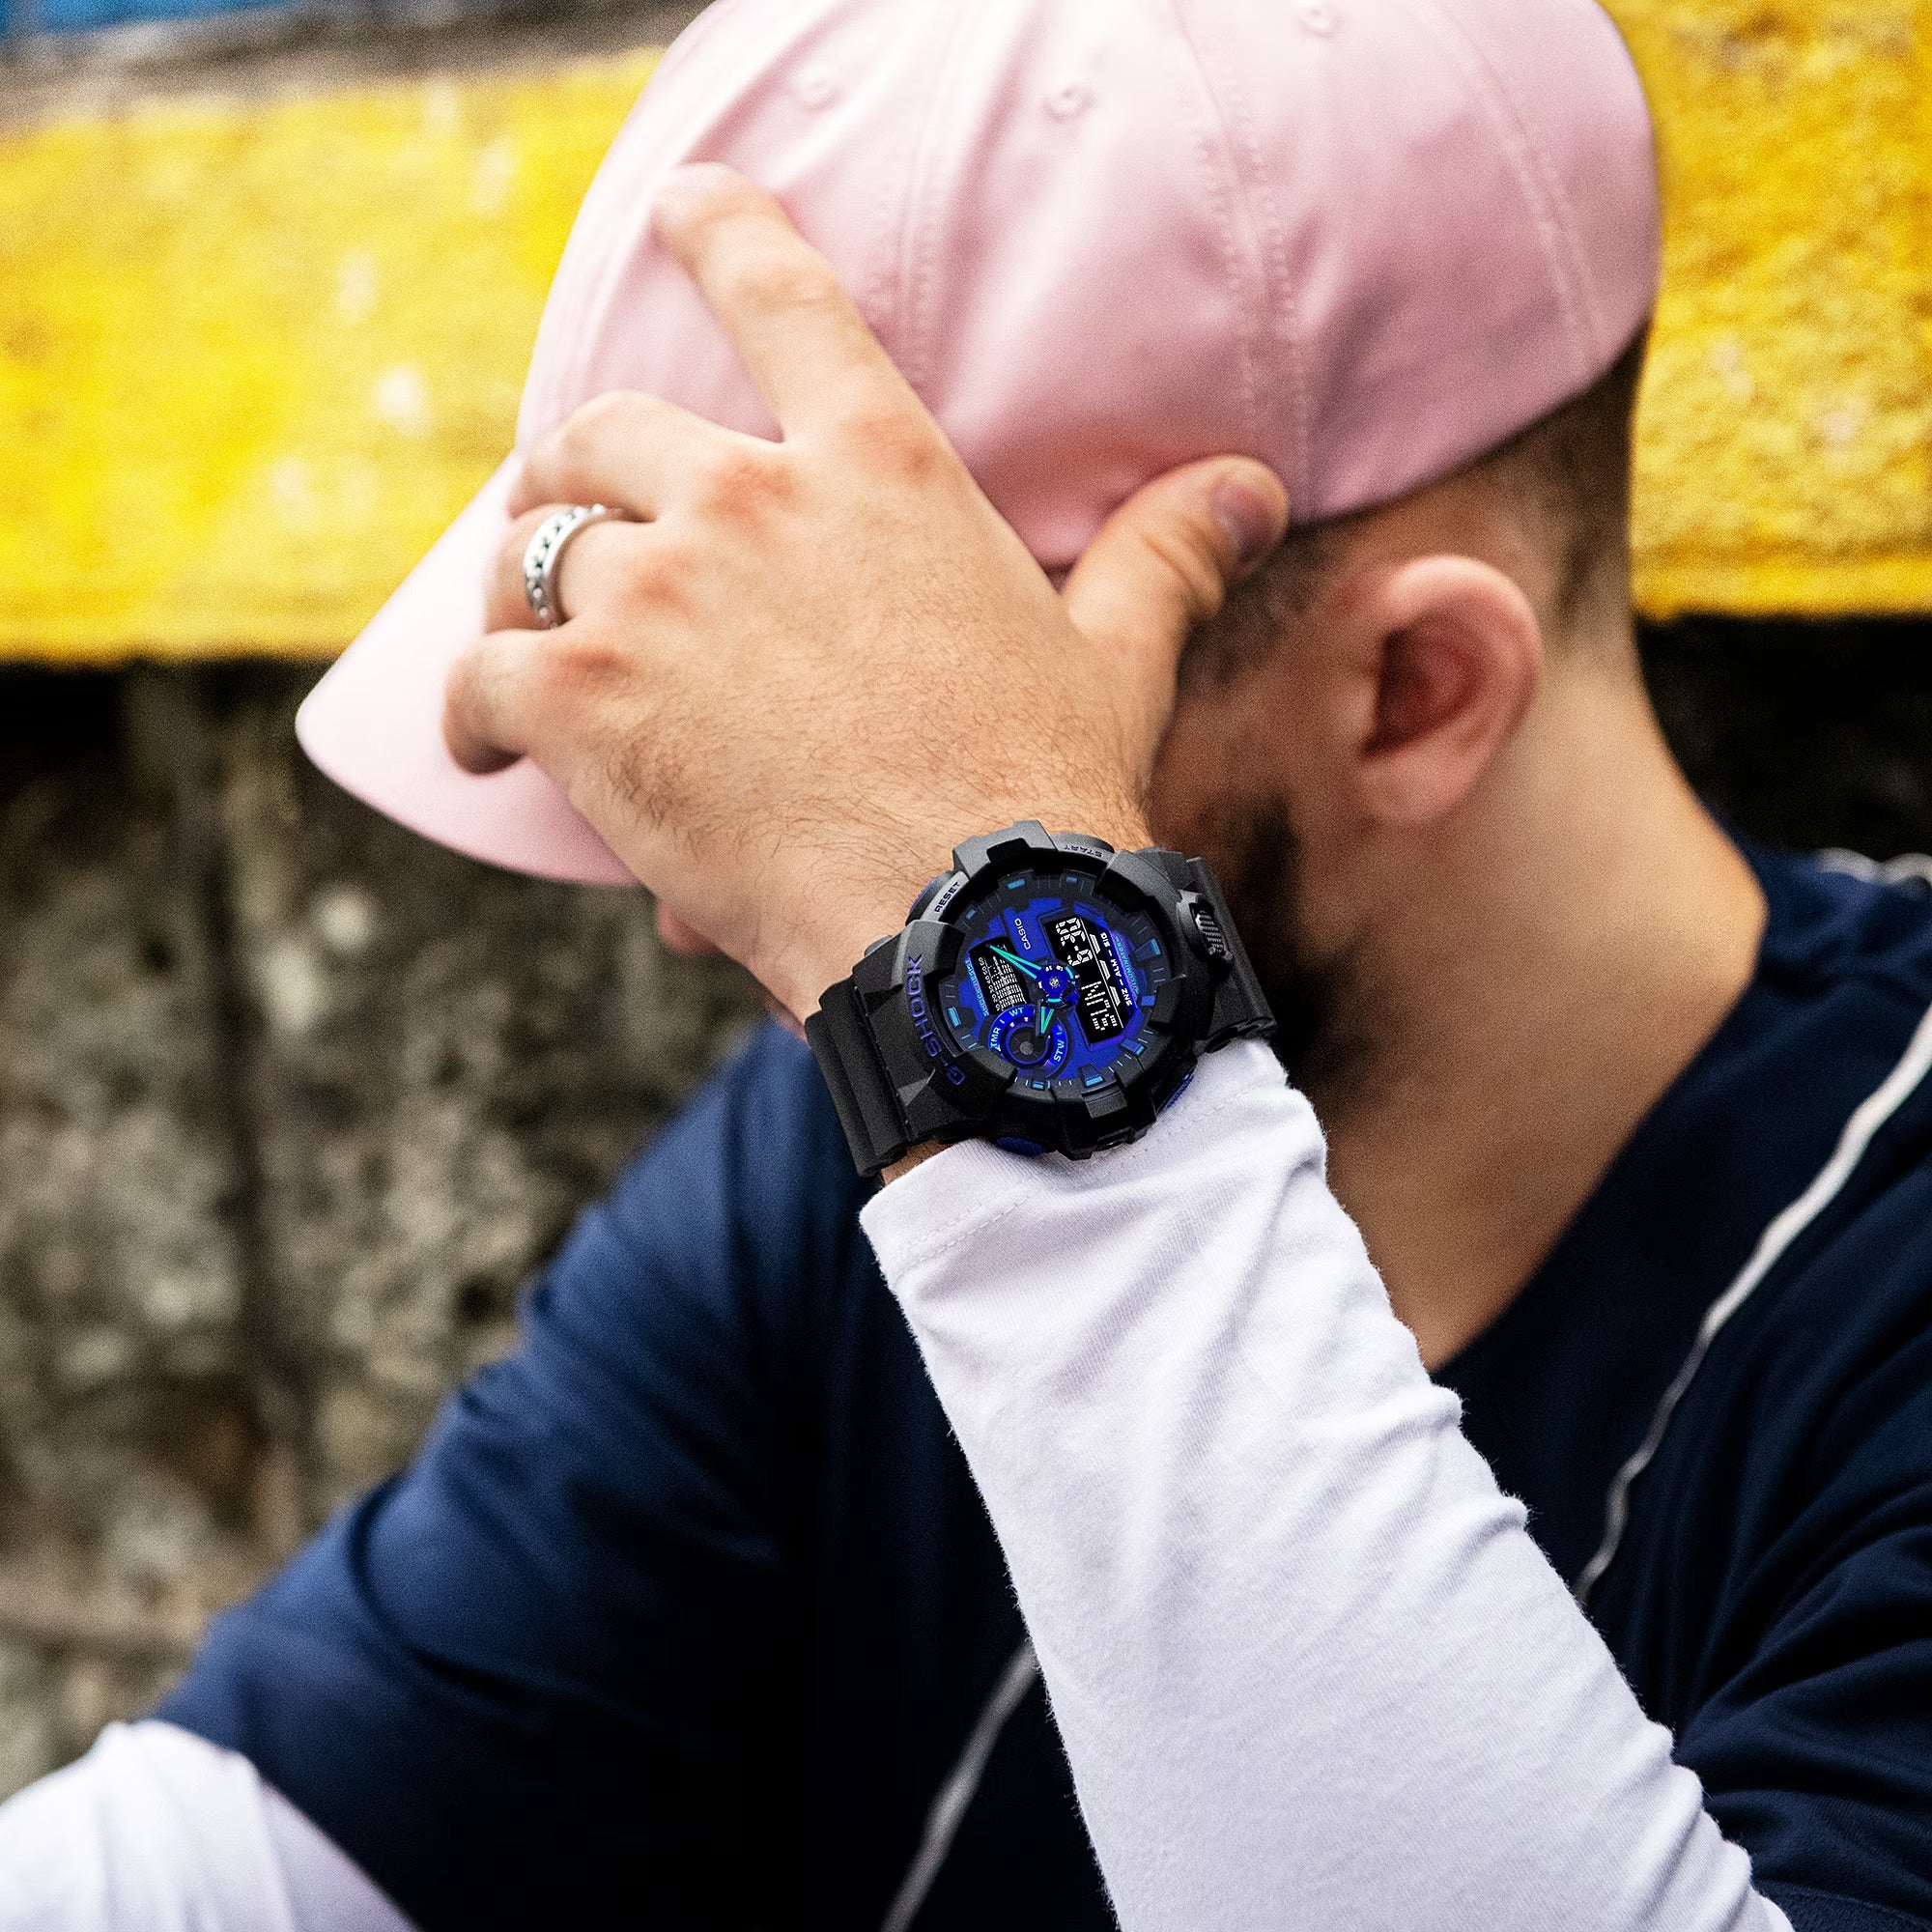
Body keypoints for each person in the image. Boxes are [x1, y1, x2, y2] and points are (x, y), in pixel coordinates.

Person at [5, 2, 1931, 1929]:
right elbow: (223, 1859)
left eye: (902, 756)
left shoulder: (1869, 1289)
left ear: (1411, 695)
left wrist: (1006, 1012)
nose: (700, 909)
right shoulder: (861, 1134)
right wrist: (978, 977)